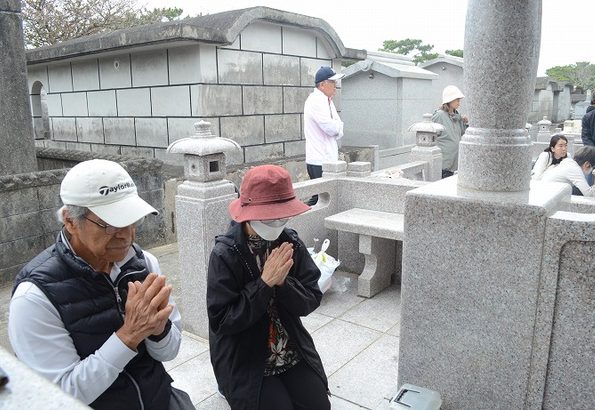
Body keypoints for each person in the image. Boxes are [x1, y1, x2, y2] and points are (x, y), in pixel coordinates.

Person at [8, 159, 194, 410]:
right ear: (70, 221)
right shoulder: (35, 297)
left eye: (131, 219)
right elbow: (61, 395)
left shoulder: (142, 264)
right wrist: (129, 336)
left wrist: (159, 330)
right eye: (109, 223)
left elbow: (168, 352)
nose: (126, 234)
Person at [207, 165, 330, 410]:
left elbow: (311, 296)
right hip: (246, 354)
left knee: (319, 405)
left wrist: (283, 283)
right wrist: (263, 285)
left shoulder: (290, 241)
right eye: (268, 215)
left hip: (289, 343)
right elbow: (221, 321)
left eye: (282, 215)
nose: (276, 222)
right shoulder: (226, 253)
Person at [304, 66, 345, 205]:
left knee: (322, 200)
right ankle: (296, 222)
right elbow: (331, 128)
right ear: (322, 85)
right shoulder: (316, 100)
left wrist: (337, 127)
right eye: (332, 82)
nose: (336, 86)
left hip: (326, 158)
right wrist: (337, 127)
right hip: (319, 160)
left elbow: (339, 126)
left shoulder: (326, 100)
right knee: (321, 200)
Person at [432, 85, 469, 178]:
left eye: (459, 100)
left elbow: (463, 134)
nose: (459, 102)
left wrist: (465, 123)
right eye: (457, 99)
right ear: (450, 100)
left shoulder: (457, 116)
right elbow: (432, 135)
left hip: (455, 162)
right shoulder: (439, 115)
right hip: (444, 163)